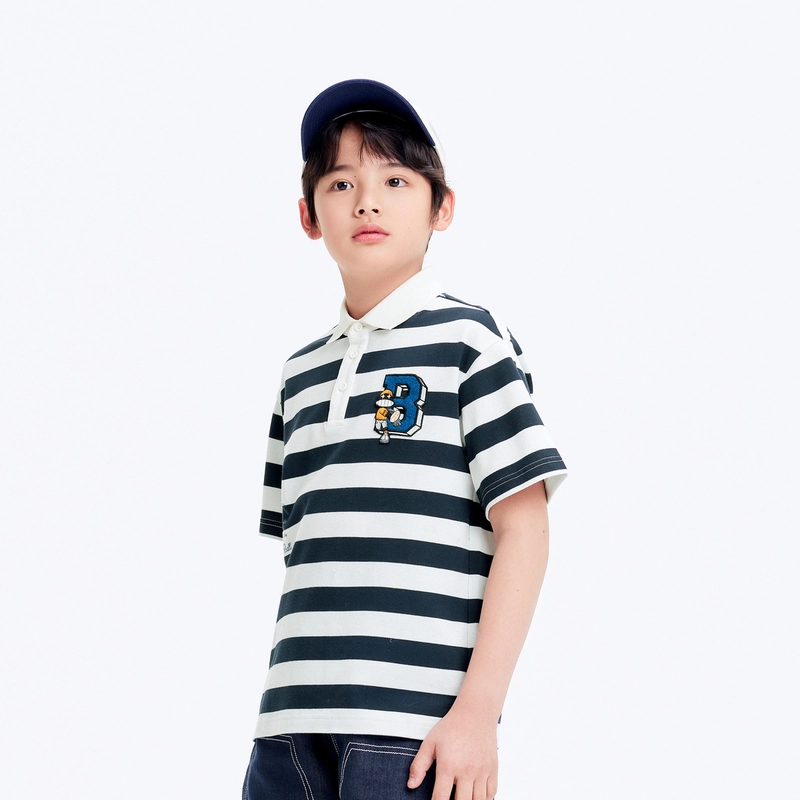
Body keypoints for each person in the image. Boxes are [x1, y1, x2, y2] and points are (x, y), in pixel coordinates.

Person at [243, 79, 567, 800]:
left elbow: (525, 531)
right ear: (308, 215)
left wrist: (478, 713)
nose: (367, 201)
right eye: (340, 183)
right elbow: (307, 554)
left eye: (394, 180)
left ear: (440, 207)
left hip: (414, 734)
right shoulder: (299, 374)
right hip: (288, 727)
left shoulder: (469, 342)